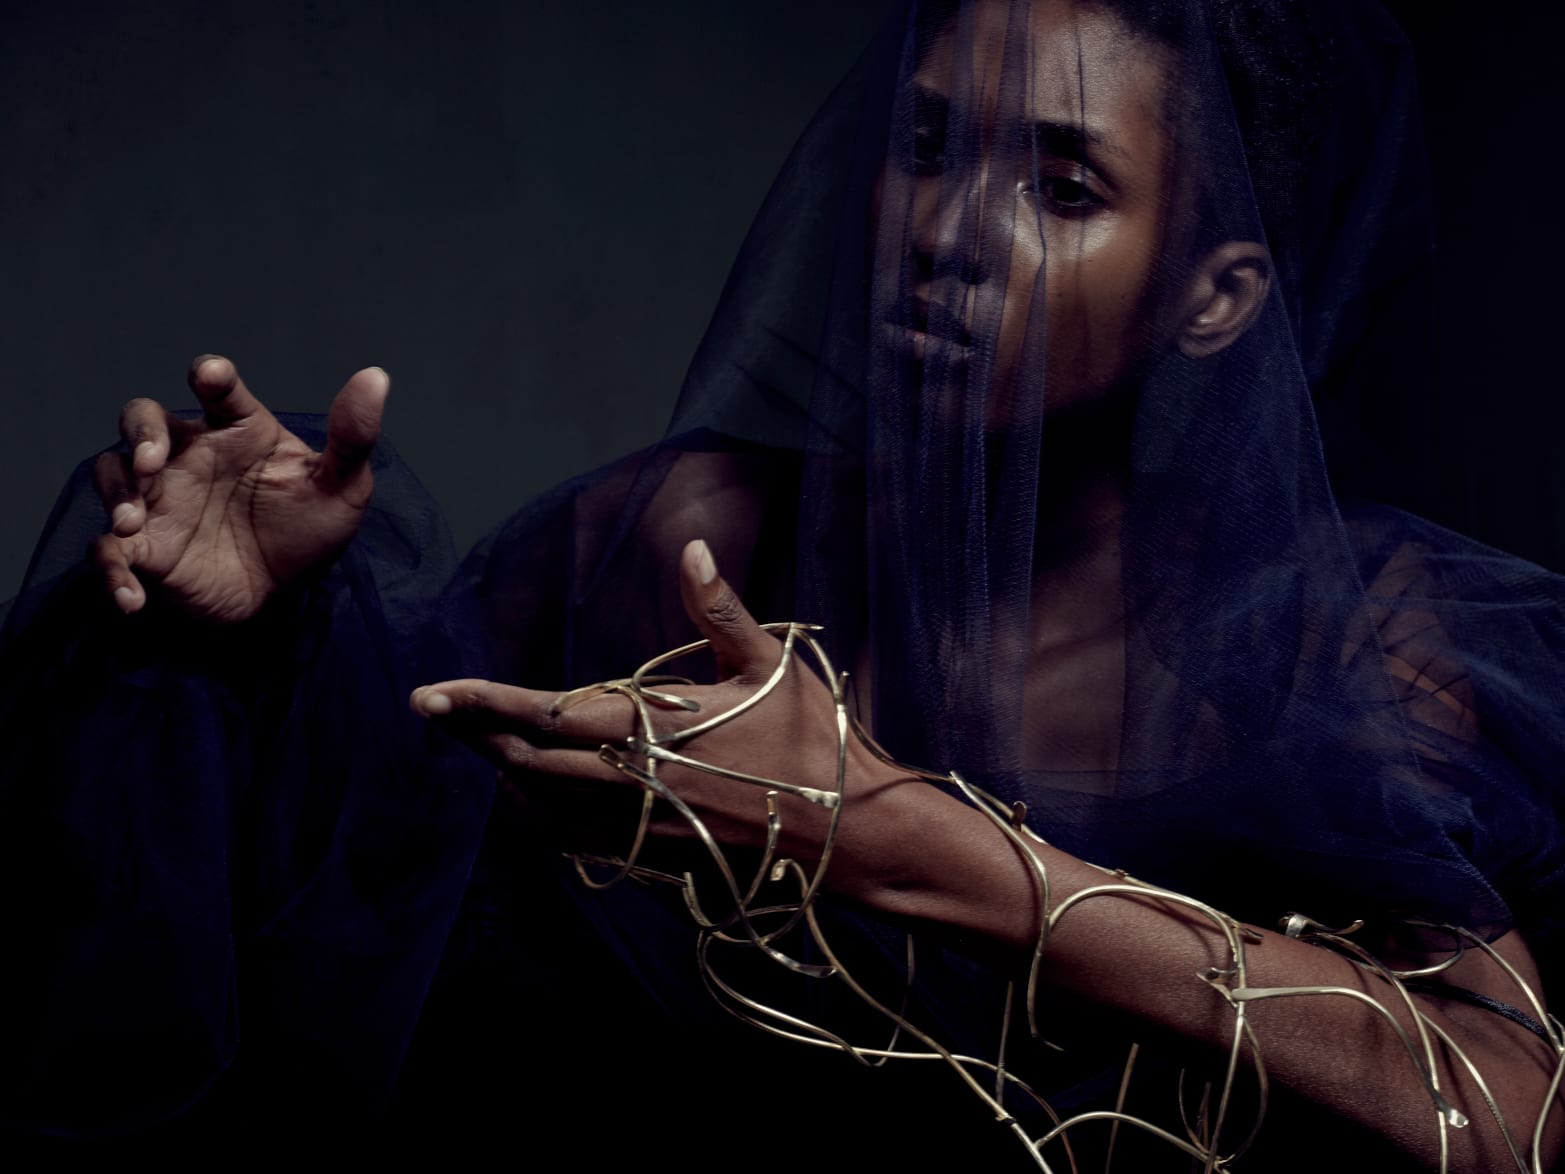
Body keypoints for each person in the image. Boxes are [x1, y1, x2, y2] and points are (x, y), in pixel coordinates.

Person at [3, 0, 1562, 1168]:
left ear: (1211, 297)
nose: (947, 236)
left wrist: (891, 835)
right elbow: (386, 881)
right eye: (929, 146)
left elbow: (1499, 1108)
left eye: (1061, 187)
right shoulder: (686, 531)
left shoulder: (1328, 636)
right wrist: (268, 637)